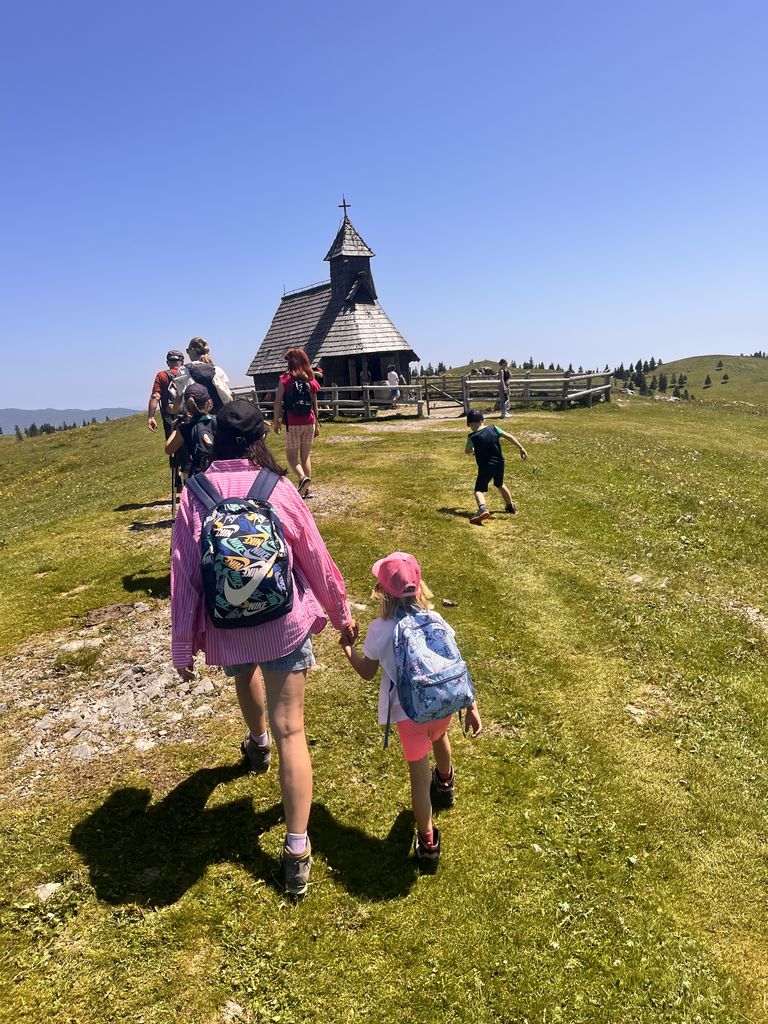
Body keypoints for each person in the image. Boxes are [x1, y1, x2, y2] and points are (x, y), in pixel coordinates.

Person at [170, 400, 358, 896]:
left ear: (213, 440)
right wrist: (341, 614)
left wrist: (183, 646)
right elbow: (314, 556)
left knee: (244, 675)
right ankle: (296, 850)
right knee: (291, 729)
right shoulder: (277, 488)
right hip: (282, 623)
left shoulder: (195, 494)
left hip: (229, 627)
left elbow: (184, 575)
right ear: (258, 441)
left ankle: (256, 744)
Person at [341, 552, 482, 867]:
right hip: (442, 703)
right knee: (440, 737)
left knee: (419, 779)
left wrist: (347, 647)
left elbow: (367, 671)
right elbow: (455, 661)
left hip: (408, 713)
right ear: (419, 586)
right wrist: (471, 705)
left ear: (382, 591)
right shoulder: (436, 618)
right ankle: (444, 781)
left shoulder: (381, 629)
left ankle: (428, 841)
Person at [465, 408, 528, 525]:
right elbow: (508, 436)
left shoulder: (472, 436)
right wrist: (521, 448)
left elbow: (467, 451)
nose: (471, 428)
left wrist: (473, 450)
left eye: (470, 425)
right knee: (500, 484)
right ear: (483, 420)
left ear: (471, 424)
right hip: (499, 463)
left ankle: (482, 509)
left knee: (478, 490)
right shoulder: (493, 428)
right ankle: (510, 506)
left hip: (485, 466)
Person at [273, 348, 321, 499]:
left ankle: (302, 478)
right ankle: (307, 490)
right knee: (305, 456)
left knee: (292, 457)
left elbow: (277, 402)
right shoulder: (311, 379)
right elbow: (315, 404)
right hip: (309, 421)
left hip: (292, 423)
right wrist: (317, 424)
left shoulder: (285, 379)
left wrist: (276, 422)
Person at [164, 383, 217, 478]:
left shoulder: (185, 428)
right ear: (208, 402)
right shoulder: (217, 420)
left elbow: (169, 449)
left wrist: (177, 427)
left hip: (198, 477)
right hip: (218, 471)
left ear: (186, 405)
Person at [170, 337, 233, 412]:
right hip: (219, 414)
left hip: (196, 415)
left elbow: (180, 397)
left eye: (187, 351)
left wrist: (172, 410)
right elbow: (227, 394)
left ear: (192, 350)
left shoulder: (183, 370)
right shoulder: (217, 369)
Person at [147, 350, 185, 437]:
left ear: (168, 363)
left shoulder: (162, 375)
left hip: (170, 419)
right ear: (182, 362)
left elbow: (155, 396)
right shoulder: (188, 373)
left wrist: (151, 417)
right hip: (189, 416)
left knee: (173, 443)